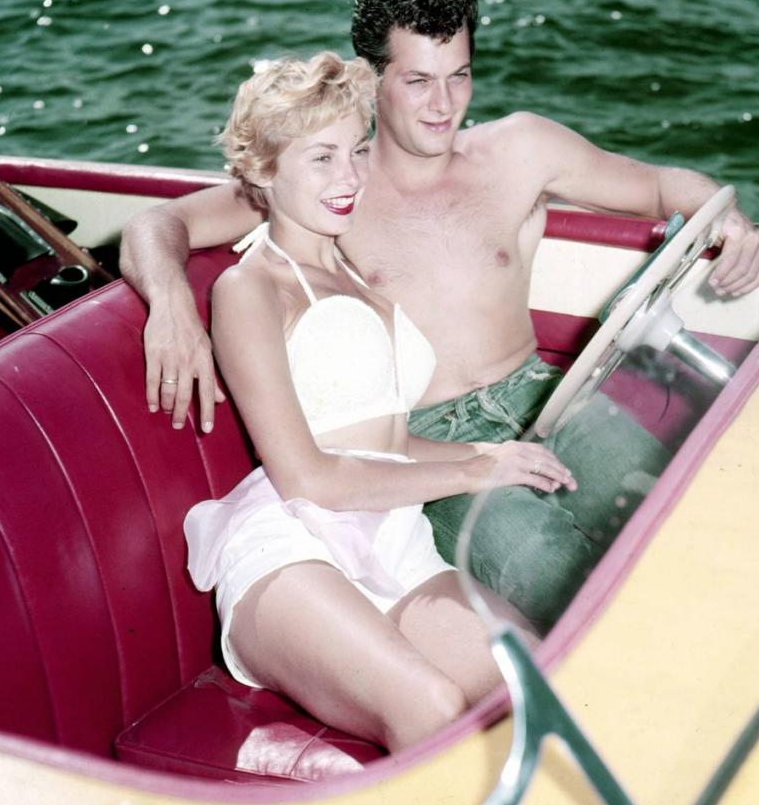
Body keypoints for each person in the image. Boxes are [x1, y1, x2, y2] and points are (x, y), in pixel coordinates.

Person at [121, 0, 759, 628]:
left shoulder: (520, 148)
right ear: (371, 79)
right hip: (426, 437)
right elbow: (156, 225)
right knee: (560, 582)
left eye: (458, 76)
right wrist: (172, 306)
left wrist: (728, 219)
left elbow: (665, 185)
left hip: (548, 396)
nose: (442, 104)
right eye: (418, 81)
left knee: (692, 516)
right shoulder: (334, 184)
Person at [184, 50, 562, 753]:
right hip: (289, 546)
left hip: (391, 534)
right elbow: (310, 475)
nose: (351, 177)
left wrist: (490, 453)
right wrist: (470, 475)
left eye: (356, 151)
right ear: (264, 171)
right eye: (321, 158)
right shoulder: (252, 287)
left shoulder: (352, 271)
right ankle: (286, 762)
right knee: (434, 707)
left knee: (538, 682)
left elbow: (383, 439)